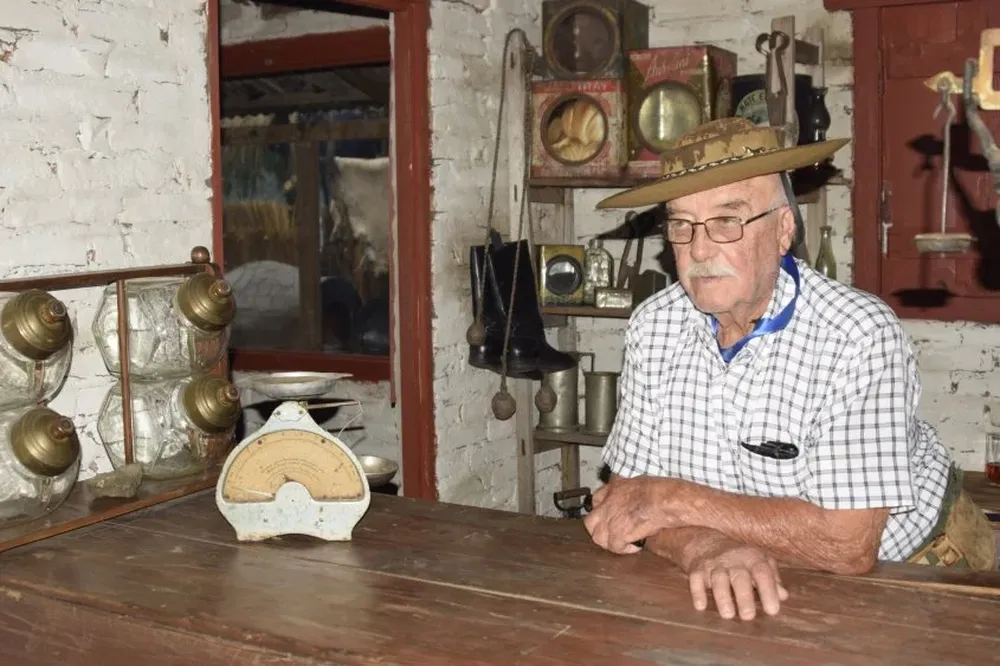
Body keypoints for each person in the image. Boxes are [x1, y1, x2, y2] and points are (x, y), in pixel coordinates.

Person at [581, 118, 998, 622]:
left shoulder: (856, 334)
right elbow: (630, 505)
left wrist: (672, 499)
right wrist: (703, 548)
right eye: (681, 224)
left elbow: (846, 545)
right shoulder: (654, 326)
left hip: (918, 572)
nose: (699, 248)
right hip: (744, 575)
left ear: (783, 230)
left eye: (727, 220)